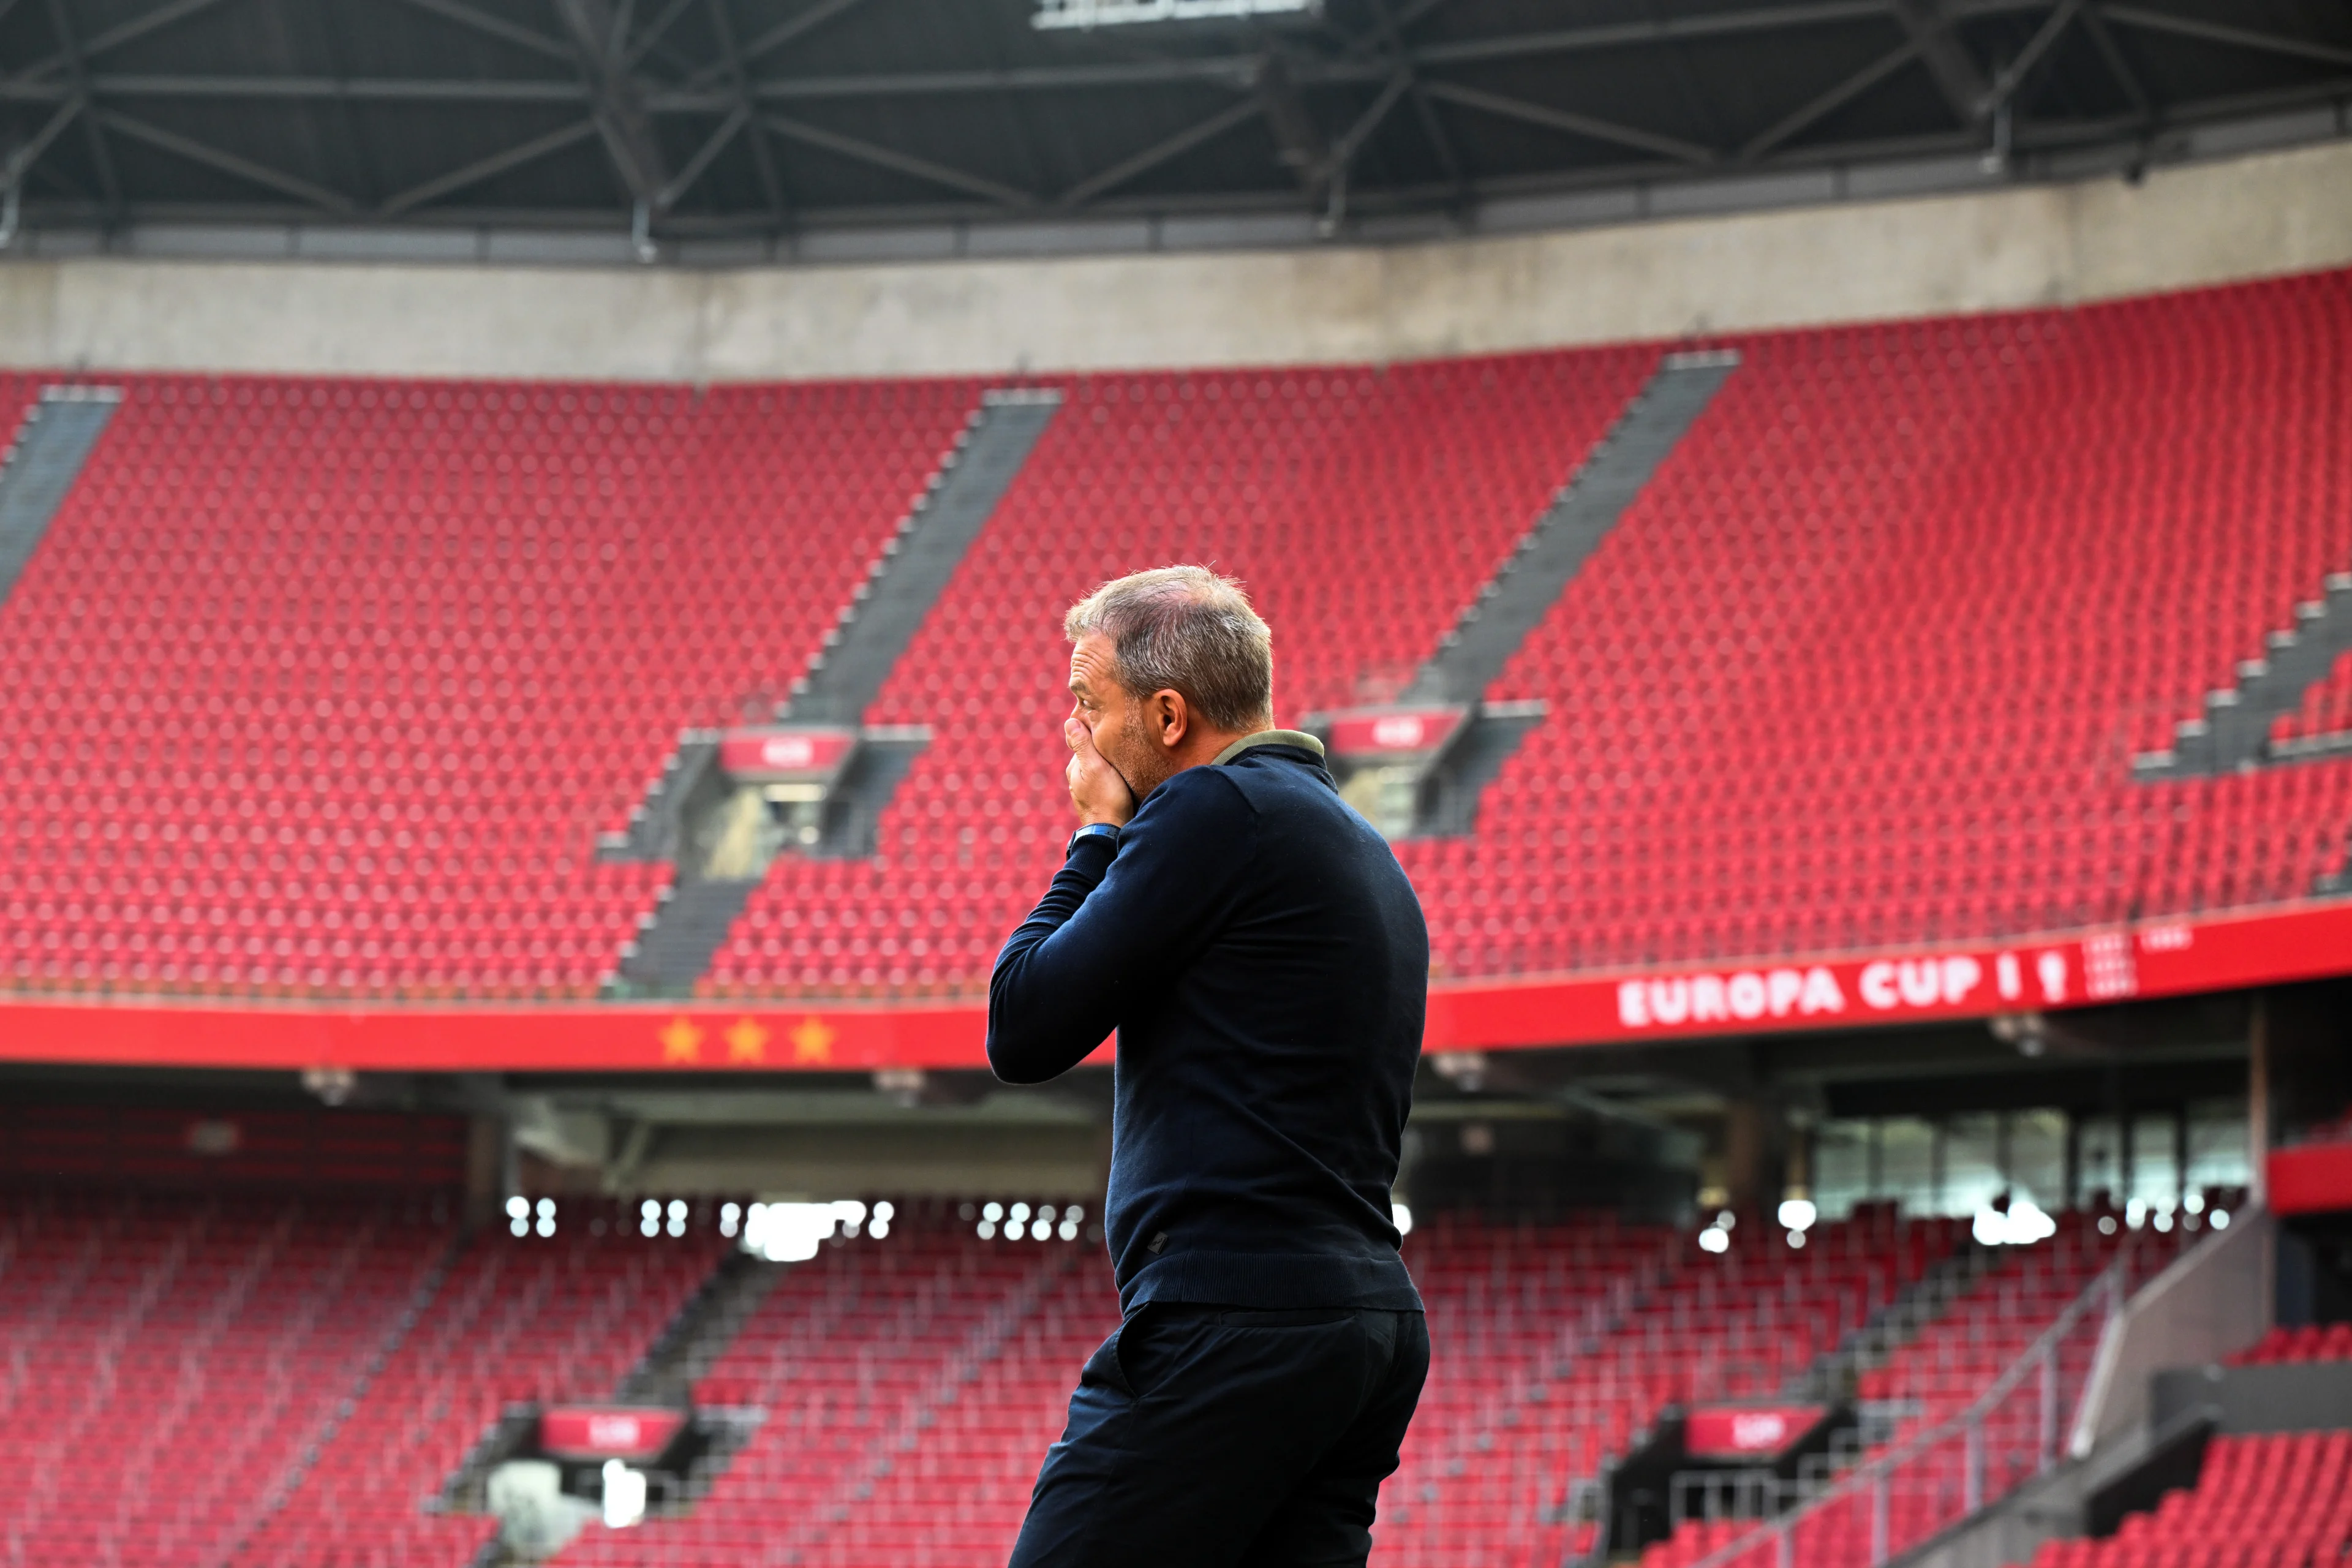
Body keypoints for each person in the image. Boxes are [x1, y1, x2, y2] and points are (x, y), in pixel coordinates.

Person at [989, 565, 1430, 1568]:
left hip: (1237, 1320)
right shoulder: (1354, 841)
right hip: (1362, 1323)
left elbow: (1024, 1024)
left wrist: (1095, 833)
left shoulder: (1212, 810)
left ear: (1168, 715)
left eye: (1090, 704)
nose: (1076, 732)